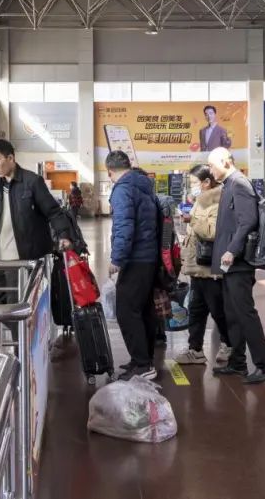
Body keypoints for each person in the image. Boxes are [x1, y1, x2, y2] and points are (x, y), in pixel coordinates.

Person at [208, 148, 265, 385]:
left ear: (225, 162)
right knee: (232, 313)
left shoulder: (239, 184)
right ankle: (238, 362)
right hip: (230, 263)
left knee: (245, 313)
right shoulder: (229, 184)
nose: (210, 170)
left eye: (212, 165)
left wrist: (231, 250)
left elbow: (248, 221)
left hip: (239, 262)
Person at [0, 139, 72, 260]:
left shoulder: (32, 182)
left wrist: (64, 236)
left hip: (29, 259)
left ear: (10, 158)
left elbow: (53, 212)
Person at [104, 150, 161, 381]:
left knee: (126, 311)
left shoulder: (123, 189)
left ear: (109, 171)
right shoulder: (143, 184)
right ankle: (143, 359)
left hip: (135, 258)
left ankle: (143, 364)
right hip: (149, 256)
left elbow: (124, 226)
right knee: (144, 309)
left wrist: (117, 259)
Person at [174, 164, 231, 366]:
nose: (192, 187)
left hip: (211, 268)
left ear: (207, 182)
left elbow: (213, 231)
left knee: (218, 310)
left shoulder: (219, 201)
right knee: (196, 309)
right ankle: (195, 349)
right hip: (197, 266)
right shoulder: (201, 201)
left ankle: (229, 345)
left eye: (194, 183)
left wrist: (192, 220)